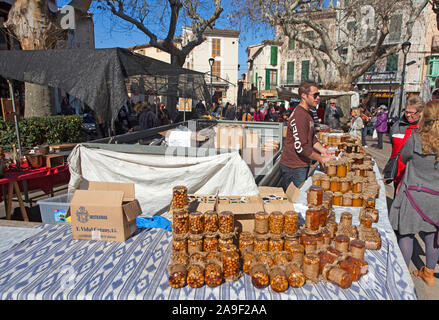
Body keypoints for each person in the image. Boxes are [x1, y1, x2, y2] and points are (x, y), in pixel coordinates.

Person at [389, 100, 439, 286]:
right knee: (432, 236)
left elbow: (404, 156)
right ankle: (429, 274)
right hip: (436, 197)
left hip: (414, 194)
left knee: (406, 234)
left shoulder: (416, 138)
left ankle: (402, 274)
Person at [279, 81, 333, 190]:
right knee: (296, 202)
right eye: (315, 95)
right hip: (293, 167)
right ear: (303, 95)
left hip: (300, 165)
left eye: (318, 95)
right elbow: (301, 147)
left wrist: (323, 150)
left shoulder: (307, 113)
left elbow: (311, 138)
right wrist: (321, 159)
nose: (317, 98)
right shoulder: (299, 116)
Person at [388, 96, 424, 192]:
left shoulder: (424, 129)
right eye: (406, 112)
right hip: (398, 172)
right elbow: (393, 145)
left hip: (414, 175)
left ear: (420, 113)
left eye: (411, 113)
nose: (408, 115)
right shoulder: (397, 126)